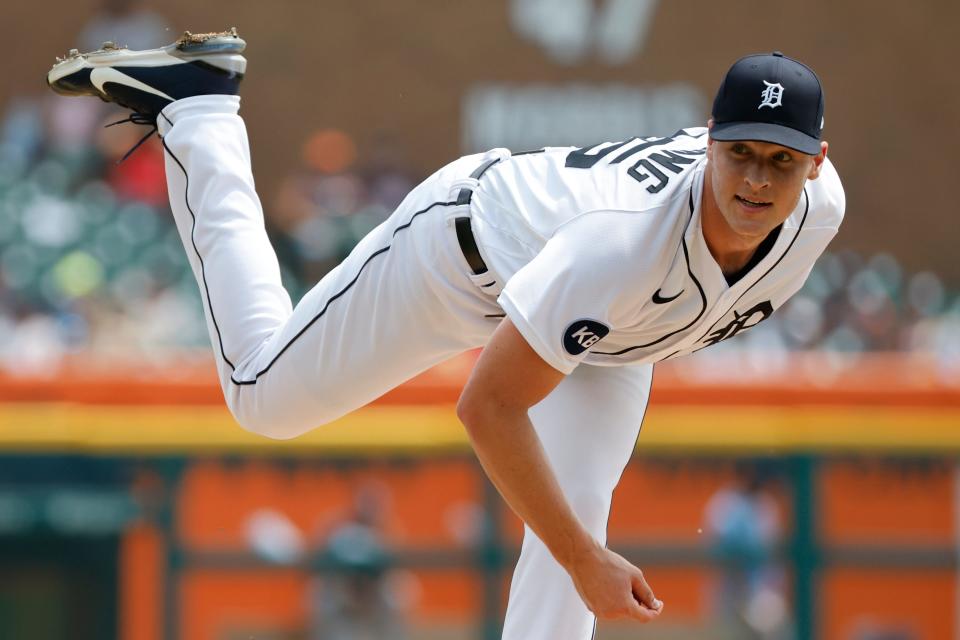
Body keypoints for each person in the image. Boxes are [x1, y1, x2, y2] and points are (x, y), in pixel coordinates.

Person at [47, 30, 844, 639]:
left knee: (575, 513)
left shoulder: (822, 211)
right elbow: (488, 408)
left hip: (611, 327)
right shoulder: (620, 242)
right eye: (738, 153)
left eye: (781, 161)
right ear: (708, 137)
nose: (755, 179)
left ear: (817, 164)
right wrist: (581, 559)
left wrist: (578, 552)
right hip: (465, 257)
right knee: (262, 398)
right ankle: (201, 110)